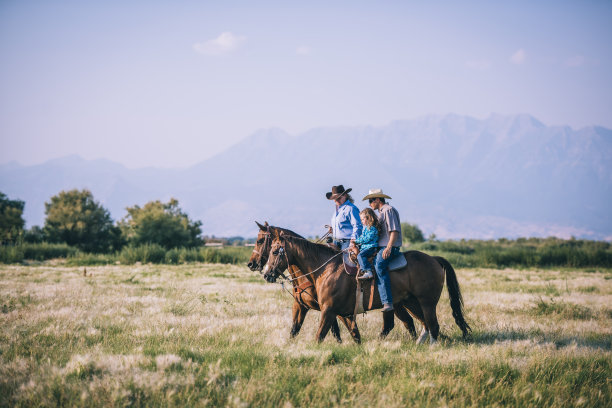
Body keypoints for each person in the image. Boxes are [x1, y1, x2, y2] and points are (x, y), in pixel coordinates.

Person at [362, 188, 402, 312]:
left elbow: (394, 231)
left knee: (379, 265)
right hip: (382, 246)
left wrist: (389, 247)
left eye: (371, 201)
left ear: (378, 199)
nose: (369, 204)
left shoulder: (388, 210)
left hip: (390, 246)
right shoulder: (381, 212)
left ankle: (387, 302)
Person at [326, 185, 362, 251]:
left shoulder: (351, 208)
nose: (335, 200)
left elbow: (357, 226)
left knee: (346, 260)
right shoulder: (337, 209)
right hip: (336, 241)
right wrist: (333, 229)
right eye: (334, 198)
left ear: (345, 195)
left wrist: (353, 241)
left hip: (347, 242)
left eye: (338, 198)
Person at [353, 208, 379, 280]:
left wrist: (356, 241)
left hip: (371, 247)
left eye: (362, 219)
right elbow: (362, 237)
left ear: (368, 218)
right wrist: (356, 240)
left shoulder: (372, 228)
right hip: (366, 247)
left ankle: (368, 271)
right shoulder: (366, 228)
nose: (361, 221)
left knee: (360, 256)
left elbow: (366, 238)